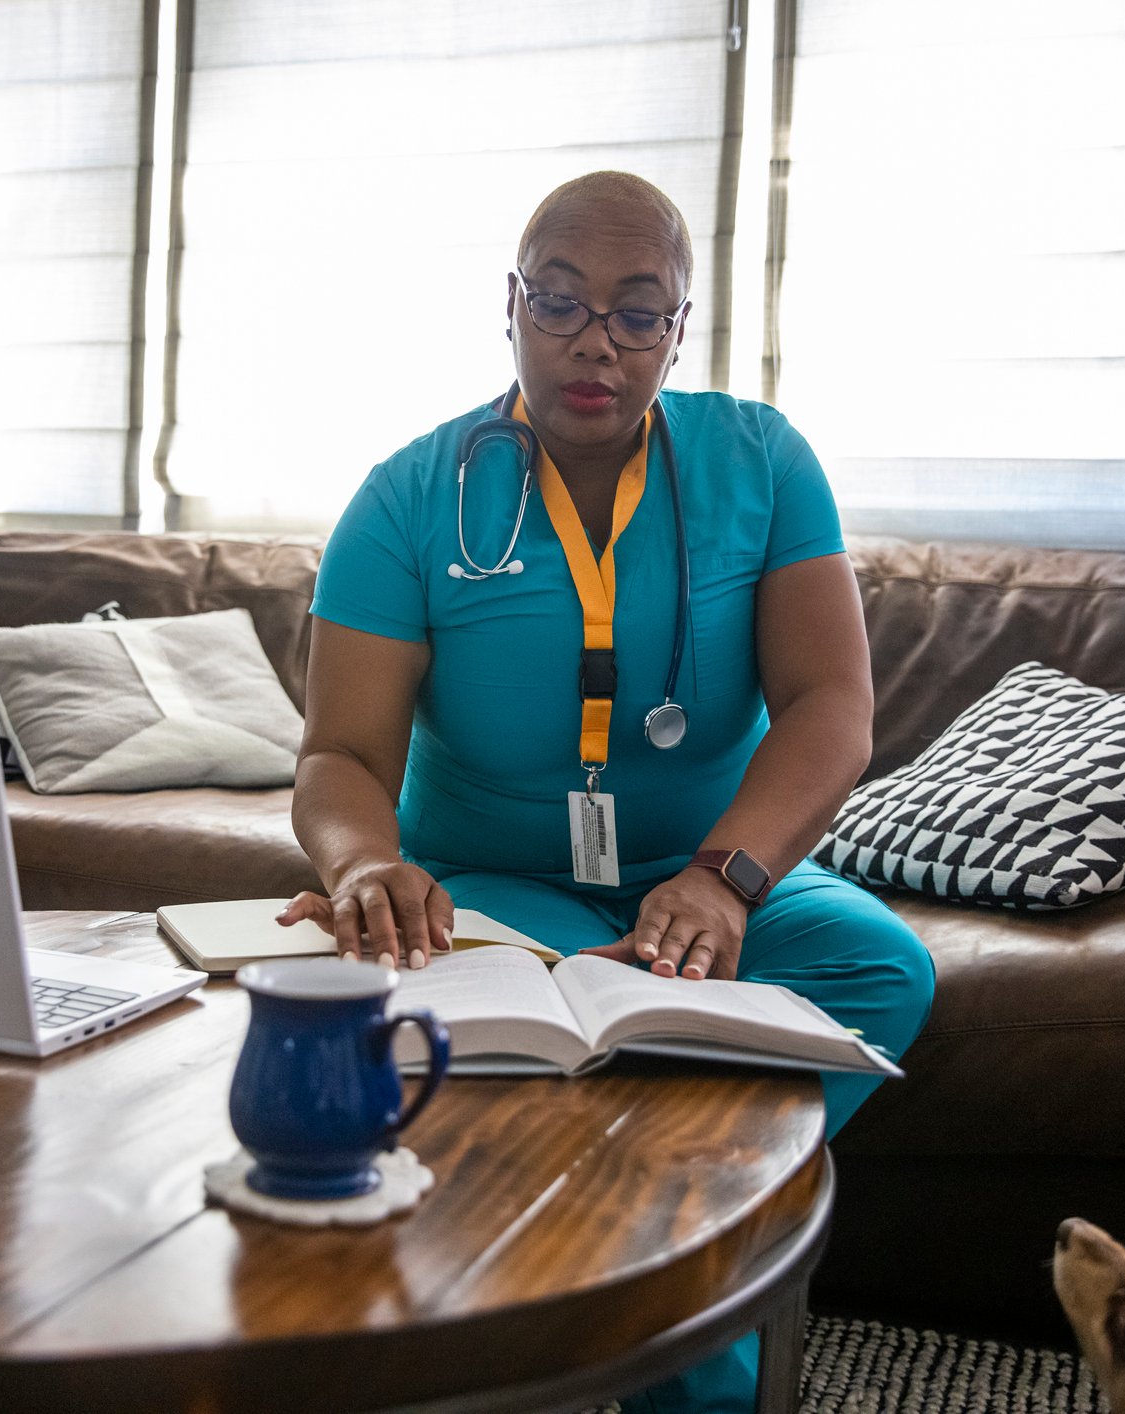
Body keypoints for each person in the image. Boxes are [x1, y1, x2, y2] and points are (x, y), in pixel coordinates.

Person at [284, 171, 935, 1413]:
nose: (596, 340)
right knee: (540, 1008)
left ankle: (660, 1210)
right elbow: (340, 758)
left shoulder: (762, 461)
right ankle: (680, 1281)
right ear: (510, 306)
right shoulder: (407, 496)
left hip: (710, 878)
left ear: (680, 328)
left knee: (878, 968)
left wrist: (725, 875)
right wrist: (365, 864)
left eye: (640, 313)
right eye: (562, 302)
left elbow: (828, 710)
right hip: (499, 888)